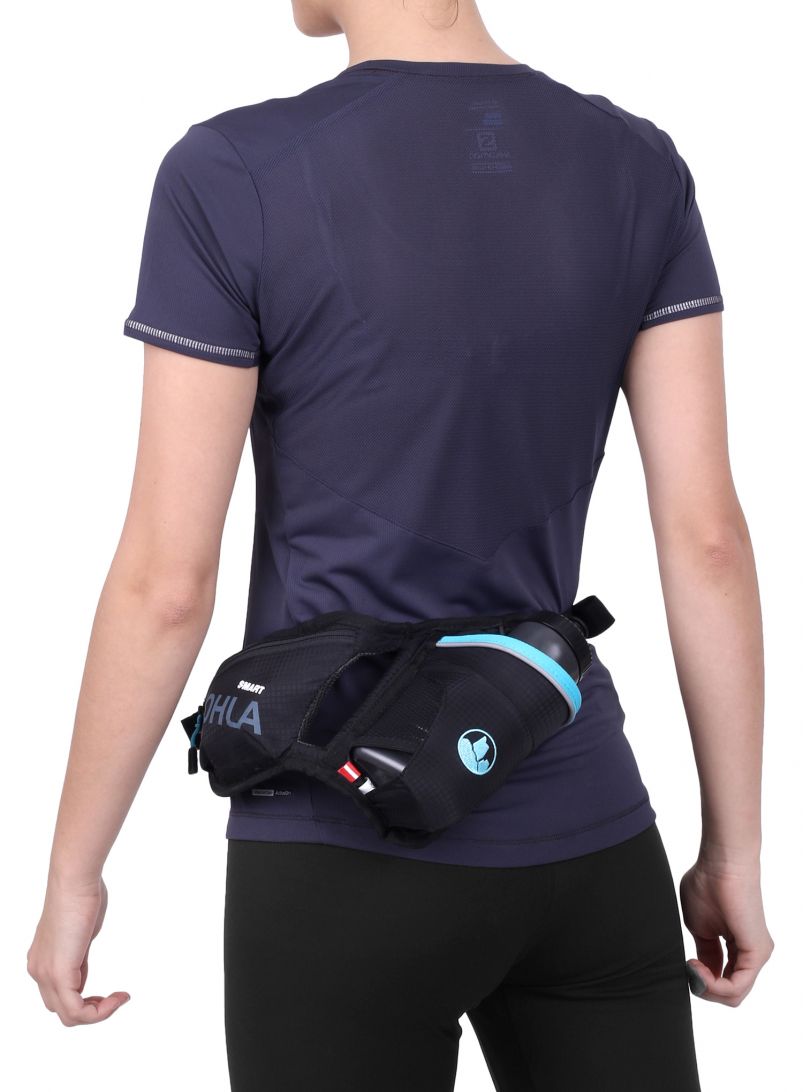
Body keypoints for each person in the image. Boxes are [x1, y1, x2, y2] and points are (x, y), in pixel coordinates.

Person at [27, 1, 774, 1089]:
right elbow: (706, 541)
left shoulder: (233, 172)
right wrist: (733, 850)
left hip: (338, 847)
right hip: (586, 837)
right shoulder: (635, 165)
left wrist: (74, 871)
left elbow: (165, 586)